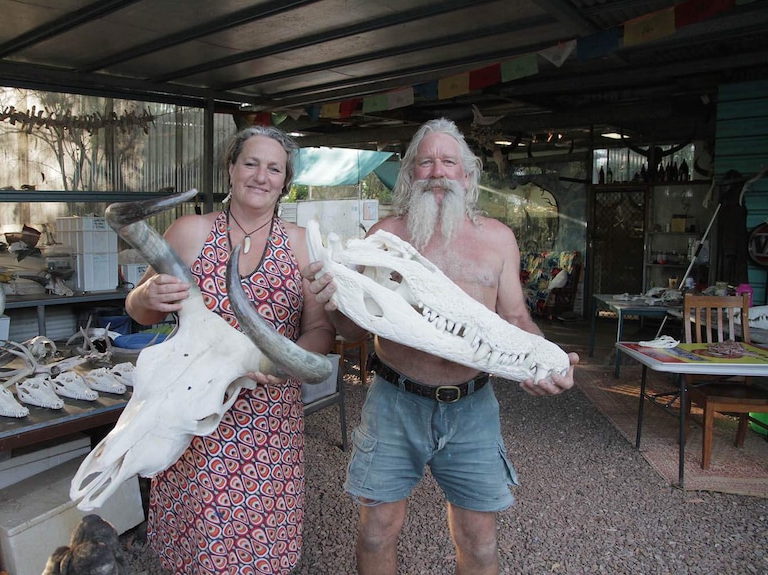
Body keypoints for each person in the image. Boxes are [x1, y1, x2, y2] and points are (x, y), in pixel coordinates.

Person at [304, 118, 579, 574]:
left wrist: (542, 361)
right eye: (426, 162)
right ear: (411, 174)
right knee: (376, 532)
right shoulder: (383, 238)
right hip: (394, 400)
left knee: (480, 541)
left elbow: (515, 318)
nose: (437, 171)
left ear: (467, 176)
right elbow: (352, 330)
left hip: (472, 406)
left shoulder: (498, 239)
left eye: (448, 161)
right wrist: (332, 301)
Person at [125, 125, 335, 574]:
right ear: (231, 169)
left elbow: (320, 330)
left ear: (285, 179)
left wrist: (281, 359)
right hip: (195, 413)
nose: (261, 176)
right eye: (251, 163)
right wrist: (144, 298)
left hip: (268, 416)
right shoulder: (190, 231)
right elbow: (139, 310)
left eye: (274, 168)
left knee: (263, 538)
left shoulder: (301, 244)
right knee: (201, 539)